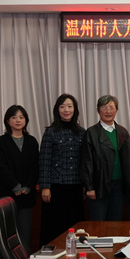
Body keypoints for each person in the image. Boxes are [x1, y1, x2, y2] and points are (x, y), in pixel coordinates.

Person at [38, 94, 86, 245]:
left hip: (76, 186)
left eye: (70, 106)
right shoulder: (50, 132)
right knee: (54, 227)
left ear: (75, 109)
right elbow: (44, 161)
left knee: (75, 227)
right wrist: (45, 187)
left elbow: (85, 161)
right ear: (57, 110)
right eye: (62, 106)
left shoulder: (82, 132)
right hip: (56, 187)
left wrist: (86, 184)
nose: (66, 110)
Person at [0, 105, 39, 252]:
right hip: (7, 195)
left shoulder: (32, 141)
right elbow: (1, 167)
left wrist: (28, 186)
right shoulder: (2, 141)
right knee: (7, 234)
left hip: (26, 196)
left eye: (21, 117)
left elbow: (36, 166)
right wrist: (15, 186)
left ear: (26, 120)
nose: (18, 120)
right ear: (8, 121)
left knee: (25, 234)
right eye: (14, 117)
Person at [80, 95, 129, 221]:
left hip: (119, 187)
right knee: (98, 224)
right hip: (99, 186)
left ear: (116, 110)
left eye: (111, 107)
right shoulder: (91, 132)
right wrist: (89, 187)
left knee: (116, 223)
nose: (108, 111)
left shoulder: (123, 132)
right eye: (104, 108)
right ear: (98, 110)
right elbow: (87, 161)